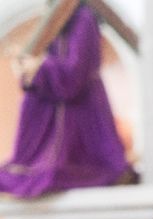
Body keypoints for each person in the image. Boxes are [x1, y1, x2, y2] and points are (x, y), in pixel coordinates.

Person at [0, 3, 135, 198]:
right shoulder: (53, 17)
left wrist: (38, 67)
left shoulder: (82, 17)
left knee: (53, 174)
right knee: (18, 175)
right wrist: (28, 67)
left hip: (79, 120)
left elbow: (74, 76)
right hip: (56, 113)